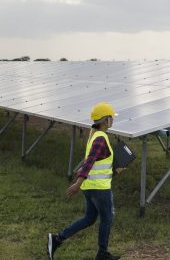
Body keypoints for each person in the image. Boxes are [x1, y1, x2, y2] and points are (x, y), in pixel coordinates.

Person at [47, 102, 124, 260]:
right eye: (111, 117)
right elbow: (89, 161)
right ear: (105, 120)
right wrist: (77, 183)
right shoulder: (100, 138)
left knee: (89, 218)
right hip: (98, 189)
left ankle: (57, 239)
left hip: (91, 187)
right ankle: (102, 254)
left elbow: (98, 162)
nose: (112, 120)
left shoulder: (95, 135)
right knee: (107, 219)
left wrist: (115, 170)